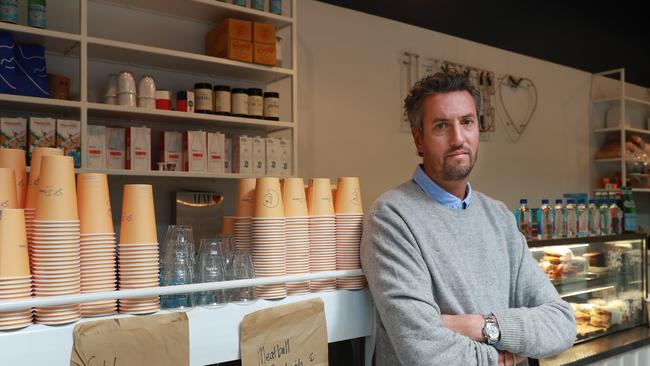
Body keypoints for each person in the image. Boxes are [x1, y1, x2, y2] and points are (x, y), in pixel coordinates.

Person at [360, 71, 576, 366]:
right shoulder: (391, 218)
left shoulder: (499, 216)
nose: (458, 138)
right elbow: (424, 352)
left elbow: (562, 323)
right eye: (441, 126)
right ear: (418, 138)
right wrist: (504, 357)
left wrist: (480, 326)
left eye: (467, 122)